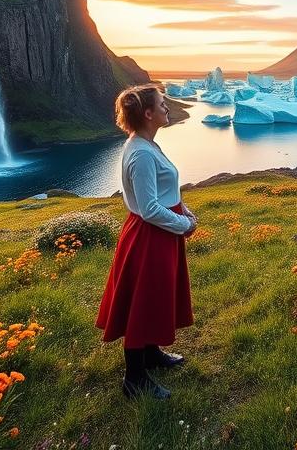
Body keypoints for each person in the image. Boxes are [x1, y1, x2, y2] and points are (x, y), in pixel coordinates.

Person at [96, 84, 198, 399]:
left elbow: (164, 192)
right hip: (150, 237)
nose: (167, 109)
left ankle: (151, 353)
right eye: (162, 105)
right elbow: (150, 208)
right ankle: (134, 380)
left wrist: (184, 210)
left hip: (158, 234)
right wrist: (183, 224)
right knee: (142, 303)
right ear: (148, 114)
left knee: (153, 297)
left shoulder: (145, 144)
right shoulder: (140, 153)